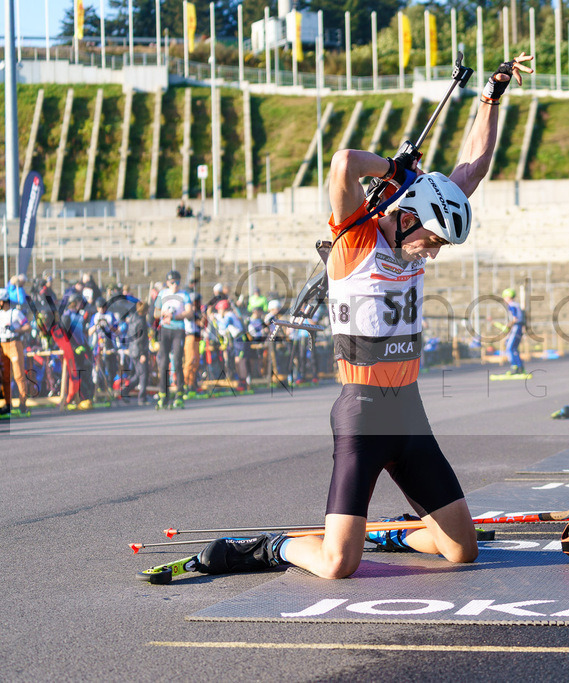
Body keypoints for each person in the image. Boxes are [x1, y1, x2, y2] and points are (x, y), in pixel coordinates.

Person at [191, 54, 535, 580]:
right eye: (432, 240)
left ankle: (394, 531)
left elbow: (475, 165)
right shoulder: (357, 242)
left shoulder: (422, 221)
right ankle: (275, 546)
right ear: (409, 215)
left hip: (410, 415)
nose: (433, 253)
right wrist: (392, 170)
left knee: (462, 551)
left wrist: (492, 94)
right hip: (362, 415)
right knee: (337, 564)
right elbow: (344, 162)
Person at [152, 270, 194, 409]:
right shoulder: (162, 294)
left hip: (178, 330)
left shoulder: (184, 295)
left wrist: (175, 316)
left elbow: (189, 312)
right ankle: (163, 394)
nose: (174, 285)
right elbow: (155, 312)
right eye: (172, 282)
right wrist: (163, 313)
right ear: (167, 283)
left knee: (177, 361)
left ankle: (179, 394)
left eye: (177, 282)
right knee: (163, 363)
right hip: (165, 330)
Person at [0, 290, 33, 417]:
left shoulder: (16, 313)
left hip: (14, 343)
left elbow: (28, 326)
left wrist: (17, 329)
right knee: (5, 376)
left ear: (3, 301)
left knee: (19, 375)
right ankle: (8, 405)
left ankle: (22, 404)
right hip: (2, 345)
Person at [500, 287, 526, 375]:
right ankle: (520, 367)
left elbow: (515, 318)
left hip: (516, 327)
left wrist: (508, 326)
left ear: (508, 297)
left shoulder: (511, 305)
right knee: (514, 348)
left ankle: (514, 367)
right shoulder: (517, 305)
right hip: (520, 327)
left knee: (509, 348)